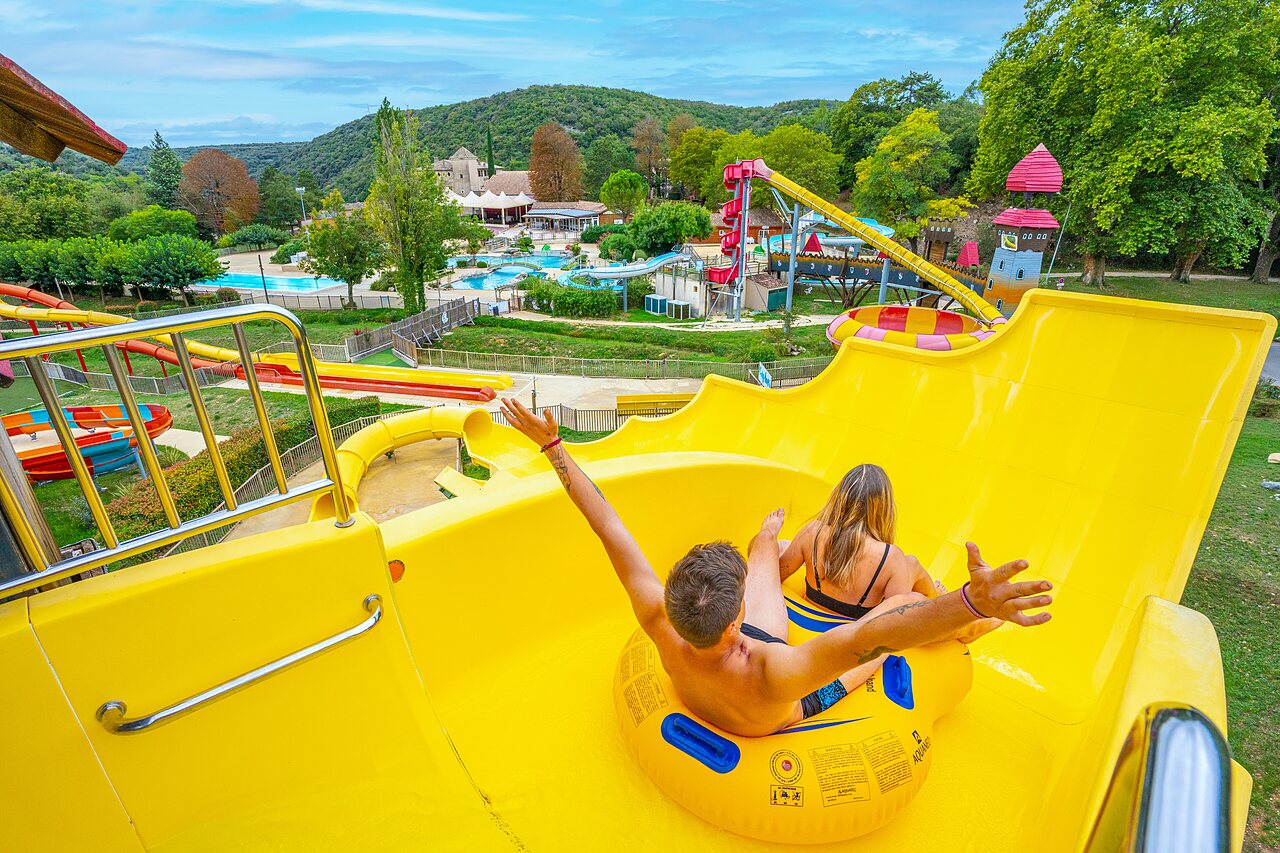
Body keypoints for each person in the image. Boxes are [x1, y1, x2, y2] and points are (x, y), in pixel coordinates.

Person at [499, 398, 1053, 738]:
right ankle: (984, 622)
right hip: (772, 705)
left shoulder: (659, 624)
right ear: (737, 620)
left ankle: (765, 537)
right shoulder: (778, 673)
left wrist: (553, 447)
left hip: (715, 668)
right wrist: (970, 604)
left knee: (771, 544)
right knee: (895, 620)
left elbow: (609, 528)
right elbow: (875, 634)